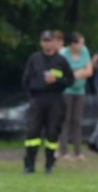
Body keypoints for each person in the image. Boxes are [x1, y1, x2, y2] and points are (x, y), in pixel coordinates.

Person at [21, 30, 74, 173]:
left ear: (54, 42)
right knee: (32, 132)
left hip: (55, 99)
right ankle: (29, 165)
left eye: (49, 41)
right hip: (37, 99)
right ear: (41, 42)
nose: (47, 44)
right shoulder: (35, 59)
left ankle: (49, 165)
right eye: (44, 41)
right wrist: (32, 94)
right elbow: (26, 79)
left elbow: (70, 80)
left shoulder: (61, 61)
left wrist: (57, 80)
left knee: (52, 133)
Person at [58, 32, 93, 161]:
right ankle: (64, 151)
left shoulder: (84, 51)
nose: (81, 45)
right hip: (67, 90)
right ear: (72, 44)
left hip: (80, 91)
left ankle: (78, 151)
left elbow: (89, 71)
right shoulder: (64, 53)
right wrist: (77, 73)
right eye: (79, 43)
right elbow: (63, 73)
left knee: (77, 121)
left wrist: (75, 74)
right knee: (65, 120)